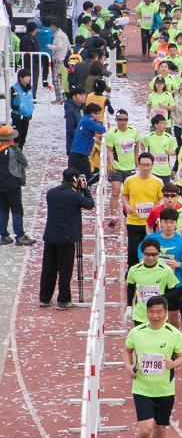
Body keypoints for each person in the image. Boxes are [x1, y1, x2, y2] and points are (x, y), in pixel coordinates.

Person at [125, 295, 182, 438]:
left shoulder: (174, 333)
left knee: (160, 428)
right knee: (145, 428)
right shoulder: (137, 332)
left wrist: (175, 364)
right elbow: (127, 351)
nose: (155, 316)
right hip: (142, 387)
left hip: (165, 389)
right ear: (146, 313)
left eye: (159, 312)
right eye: (152, 312)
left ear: (166, 313)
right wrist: (129, 366)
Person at [40, 167, 95, 309]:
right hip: (67, 238)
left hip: (51, 236)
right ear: (76, 180)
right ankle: (63, 300)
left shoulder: (51, 193)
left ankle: (45, 298)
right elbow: (90, 204)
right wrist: (84, 189)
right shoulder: (74, 196)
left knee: (48, 268)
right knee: (65, 270)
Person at [0, 123, 33, 246]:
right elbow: (25, 162)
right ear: (10, 138)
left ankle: (3, 235)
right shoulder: (14, 149)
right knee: (17, 210)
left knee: (2, 209)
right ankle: (19, 235)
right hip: (13, 183)